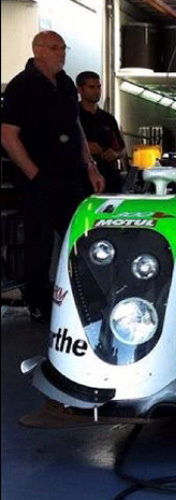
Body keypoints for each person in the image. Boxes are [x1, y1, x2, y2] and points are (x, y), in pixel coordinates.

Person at [1, 31, 104, 323]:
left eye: (63, 48)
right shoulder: (22, 86)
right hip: (40, 181)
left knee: (81, 237)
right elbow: (8, 135)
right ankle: (38, 303)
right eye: (55, 48)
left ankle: (83, 297)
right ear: (38, 51)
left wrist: (90, 165)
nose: (62, 53)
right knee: (40, 244)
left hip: (70, 177)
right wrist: (34, 174)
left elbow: (76, 127)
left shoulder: (67, 84)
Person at [77, 71, 125, 194]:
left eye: (98, 87)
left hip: (109, 178)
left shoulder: (108, 119)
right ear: (80, 90)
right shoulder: (73, 117)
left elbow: (122, 149)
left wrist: (114, 153)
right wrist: (85, 147)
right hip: (82, 179)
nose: (96, 91)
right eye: (91, 87)